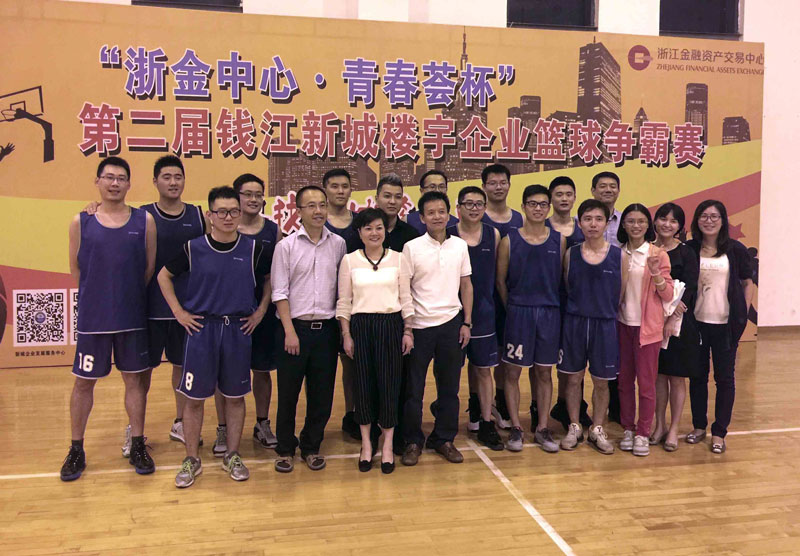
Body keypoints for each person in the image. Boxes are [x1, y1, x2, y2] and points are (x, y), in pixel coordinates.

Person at [83, 155, 207, 456]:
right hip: (149, 309)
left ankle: (180, 423)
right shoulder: (142, 216)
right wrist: (93, 207)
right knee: (141, 374)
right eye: (166, 177)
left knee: (182, 367)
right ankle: (135, 430)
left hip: (187, 310)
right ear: (155, 181)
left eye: (178, 177)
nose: (173, 182)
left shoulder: (198, 215)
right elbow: (146, 266)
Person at [159, 186, 271, 488]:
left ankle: (232, 454)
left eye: (234, 211)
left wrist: (260, 311)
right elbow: (163, 276)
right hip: (202, 331)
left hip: (237, 330)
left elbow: (269, 280)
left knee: (235, 398)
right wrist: (179, 313)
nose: (228, 217)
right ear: (210, 215)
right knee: (194, 400)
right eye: (221, 212)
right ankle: (191, 458)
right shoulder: (193, 248)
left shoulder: (253, 249)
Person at [61, 157, 157, 482]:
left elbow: (147, 269)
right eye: (109, 177)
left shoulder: (144, 221)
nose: (115, 183)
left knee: (135, 382)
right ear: (98, 181)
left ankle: (138, 444)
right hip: (94, 320)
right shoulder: (80, 221)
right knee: (83, 383)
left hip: (132, 317)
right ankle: (76, 449)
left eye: (121, 178)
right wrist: (97, 299)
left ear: (129, 184)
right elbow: (77, 270)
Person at [271, 185, 347, 472]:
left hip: (326, 330)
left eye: (322, 205)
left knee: (322, 394)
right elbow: (279, 292)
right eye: (311, 205)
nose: (318, 211)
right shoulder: (286, 246)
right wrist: (289, 331)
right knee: (288, 394)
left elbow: (342, 288)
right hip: (294, 329)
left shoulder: (338, 244)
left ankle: (311, 446)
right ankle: (285, 449)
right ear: (299, 211)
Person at [336, 208, 414, 474]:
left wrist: (408, 330)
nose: (374, 233)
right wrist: (346, 334)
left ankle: (388, 444)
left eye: (379, 227)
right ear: (359, 232)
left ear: (385, 231)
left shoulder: (399, 259)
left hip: (391, 326)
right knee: (363, 386)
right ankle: (367, 444)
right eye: (368, 228)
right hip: (360, 327)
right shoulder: (349, 261)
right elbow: (344, 302)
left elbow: (406, 299)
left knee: (390, 386)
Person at [401, 191, 473, 466]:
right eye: (430, 212)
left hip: (451, 324)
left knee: (449, 388)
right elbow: (404, 289)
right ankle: (412, 441)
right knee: (413, 390)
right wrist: (408, 328)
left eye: (441, 211)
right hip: (419, 326)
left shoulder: (460, 246)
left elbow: (466, 285)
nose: (437, 217)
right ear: (422, 217)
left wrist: (466, 322)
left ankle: (444, 438)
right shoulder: (412, 247)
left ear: (449, 214)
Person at [212, 173, 281, 454]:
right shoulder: (223, 226)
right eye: (247, 194)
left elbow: (272, 277)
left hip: (261, 315)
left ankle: (262, 423)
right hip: (227, 315)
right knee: (224, 375)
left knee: (262, 371)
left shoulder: (273, 230)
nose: (253, 199)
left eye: (258, 194)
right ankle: (223, 428)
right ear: (236, 197)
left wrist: (261, 310)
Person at [496, 184, 565, 453]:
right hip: (519, 313)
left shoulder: (558, 240)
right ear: (523, 206)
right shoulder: (509, 240)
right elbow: (500, 282)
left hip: (548, 314)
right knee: (512, 372)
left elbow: (560, 280)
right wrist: (514, 307)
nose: (538, 208)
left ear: (549, 208)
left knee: (544, 372)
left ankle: (542, 427)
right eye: (533, 204)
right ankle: (516, 426)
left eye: (543, 204)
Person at [558, 199, 627, 455]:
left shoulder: (619, 256)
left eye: (599, 219)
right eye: (587, 219)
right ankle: (574, 425)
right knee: (573, 379)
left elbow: (620, 294)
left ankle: (597, 428)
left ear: (607, 223)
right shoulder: (571, 254)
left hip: (605, 325)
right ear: (580, 223)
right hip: (575, 323)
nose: (593, 224)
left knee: (601, 382)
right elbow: (567, 287)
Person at [686, 200, 754, 454]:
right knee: (697, 377)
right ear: (697, 220)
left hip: (726, 325)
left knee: (724, 379)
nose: (709, 220)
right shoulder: (690, 249)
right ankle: (698, 426)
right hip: (696, 324)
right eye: (704, 216)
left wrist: (742, 314)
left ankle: (719, 432)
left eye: (715, 216)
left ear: (723, 220)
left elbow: (747, 282)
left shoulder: (735, 249)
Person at [448, 186, 504, 451]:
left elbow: (499, 275)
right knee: (450, 372)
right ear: (458, 207)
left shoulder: (493, 234)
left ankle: (486, 422)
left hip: (483, 313)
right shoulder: (447, 234)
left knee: (483, 370)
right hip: (451, 314)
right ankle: (446, 423)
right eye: (468, 203)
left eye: (478, 203)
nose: (473, 208)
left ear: (485, 207)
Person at [616, 204, 673, 457]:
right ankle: (628, 428)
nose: (636, 226)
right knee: (624, 382)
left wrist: (656, 273)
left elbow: (668, 294)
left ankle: (643, 432)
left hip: (647, 329)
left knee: (647, 384)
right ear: (623, 225)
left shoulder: (657, 254)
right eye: (630, 221)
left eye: (641, 221)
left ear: (648, 225)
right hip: (621, 325)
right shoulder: (617, 252)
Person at [651, 203, 700, 452]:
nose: (667, 224)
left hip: (679, 324)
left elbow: (689, 288)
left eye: (673, 221)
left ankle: (673, 429)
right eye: (663, 219)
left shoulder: (687, 252)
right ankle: (659, 425)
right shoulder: (649, 249)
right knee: (658, 376)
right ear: (655, 221)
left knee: (677, 378)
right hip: (652, 321)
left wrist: (672, 318)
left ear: (680, 226)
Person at [545, 176, 591, 432]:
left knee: (573, 358)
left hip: (576, 303)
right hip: (548, 301)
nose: (564, 199)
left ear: (574, 197)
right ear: (551, 198)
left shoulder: (582, 229)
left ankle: (571, 405)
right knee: (545, 361)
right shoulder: (541, 226)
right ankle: (542, 406)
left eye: (568, 194)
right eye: (559, 194)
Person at [480, 163, 523, 431]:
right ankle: (478, 404)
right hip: (485, 297)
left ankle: (501, 401)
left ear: (509, 184)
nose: (498, 187)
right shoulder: (477, 216)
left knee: (506, 355)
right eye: (492, 183)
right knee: (484, 356)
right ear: (484, 187)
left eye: (502, 182)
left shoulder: (520, 219)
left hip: (514, 297)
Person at [320, 168, 362, 441]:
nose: (340, 191)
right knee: (321, 369)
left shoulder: (360, 223)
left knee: (351, 364)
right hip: (322, 305)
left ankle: (352, 414)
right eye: (334, 186)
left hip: (355, 305)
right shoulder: (316, 222)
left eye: (344, 186)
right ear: (325, 189)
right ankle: (316, 421)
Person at [591, 171, 623, 423]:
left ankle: (616, 408)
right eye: (602, 186)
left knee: (613, 356)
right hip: (588, 296)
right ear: (593, 191)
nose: (608, 190)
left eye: (613, 186)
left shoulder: (626, 220)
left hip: (617, 295)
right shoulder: (583, 221)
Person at [352, 173, 419, 253]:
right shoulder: (361, 230)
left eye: (398, 197)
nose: (392, 201)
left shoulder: (411, 234)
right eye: (387, 196)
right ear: (376, 199)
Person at [406, 170, 458, 234]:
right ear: (422, 191)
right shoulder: (407, 221)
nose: (437, 190)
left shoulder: (456, 224)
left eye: (441, 187)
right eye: (432, 187)